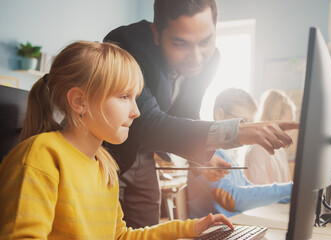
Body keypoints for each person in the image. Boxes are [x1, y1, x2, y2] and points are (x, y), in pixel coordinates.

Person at [0, 41, 233, 239]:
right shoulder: (41, 156)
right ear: (79, 101)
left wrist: (190, 228)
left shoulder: (104, 165)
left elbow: (120, 236)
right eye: (124, 97)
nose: (136, 111)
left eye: (135, 98)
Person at [104, 0, 298, 228]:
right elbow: (146, 121)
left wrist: (200, 156)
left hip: (144, 154)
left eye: (206, 41)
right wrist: (237, 131)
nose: (196, 57)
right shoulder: (127, 44)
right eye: (180, 44)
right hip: (109, 152)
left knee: (146, 228)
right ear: (157, 34)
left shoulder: (211, 59)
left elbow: (187, 113)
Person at [187, 88, 293, 218]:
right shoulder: (207, 155)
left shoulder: (229, 156)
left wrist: (289, 195)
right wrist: (289, 189)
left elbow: (247, 188)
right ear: (219, 115)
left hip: (234, 227)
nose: (249, 129)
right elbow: (233, 198)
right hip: (210, 233)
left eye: (250, 123)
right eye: (242, 122)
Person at [244, 89, 297, 185]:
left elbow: (287, 186)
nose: (290, 133)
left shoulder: (280, 151)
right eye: (286, 127)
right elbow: (260, 193)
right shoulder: (257, 150)